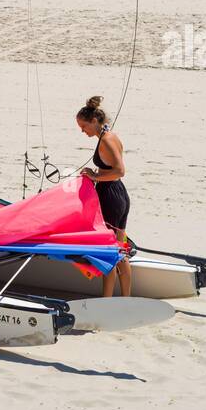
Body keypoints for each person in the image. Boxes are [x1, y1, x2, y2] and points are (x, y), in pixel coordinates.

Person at [76, 94, 132, 298]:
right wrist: (97, 175)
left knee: (110, 252)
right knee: (119, 250)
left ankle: (107, 300)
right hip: (119, 194)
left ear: (94, 121)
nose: (83, 131)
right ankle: (126, 299)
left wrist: (95, 175)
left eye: (84, 127)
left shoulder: (107, 140)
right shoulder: (110, 136)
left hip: (111, 198)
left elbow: (119, 170)